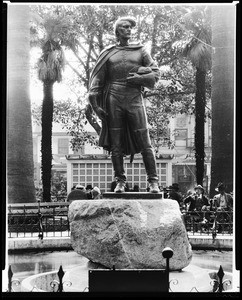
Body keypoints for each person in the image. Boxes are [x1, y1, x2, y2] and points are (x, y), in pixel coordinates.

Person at [88, 16, 160, 193]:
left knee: (145, 141)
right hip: (113, 98)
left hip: (135, 97)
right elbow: (97, 80)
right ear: (117, 31)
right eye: (124, 27)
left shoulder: (141, 50)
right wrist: (96, 106)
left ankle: (153, 182)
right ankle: (120, 181)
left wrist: (140, 78)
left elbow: (155, 74)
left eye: (130, 27)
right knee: (116, 144)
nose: (128, 30)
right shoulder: (108, 53)